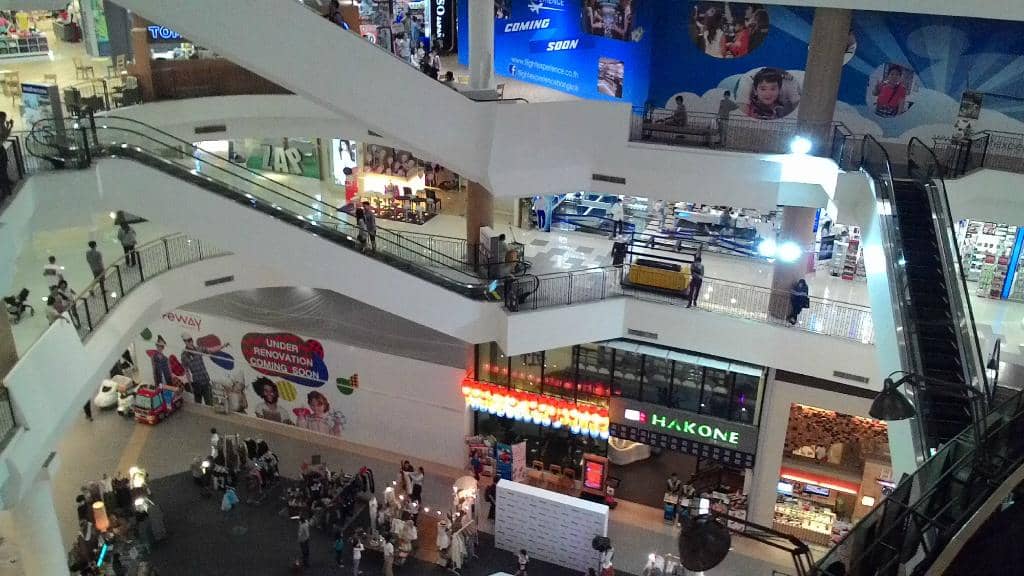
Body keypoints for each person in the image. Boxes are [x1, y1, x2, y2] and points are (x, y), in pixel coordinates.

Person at [181, 332, 228, 406]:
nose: (190, 342)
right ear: (185, 342)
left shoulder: (198, 349)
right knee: (198, 405)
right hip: (197, 383)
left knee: (209, 404)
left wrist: (223, 346)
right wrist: (190, 385)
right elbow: (186, 371)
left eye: (191, 340)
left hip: (205, 380)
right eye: (188, 341)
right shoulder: (184, 355)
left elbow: (211, 350)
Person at [0, 111, 13, 201]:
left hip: (1, 148)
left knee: (3, 167)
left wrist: (9, 126)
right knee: (2, 170)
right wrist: (8, 127)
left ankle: (6, 187)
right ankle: (4, 189)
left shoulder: (2, 125)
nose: (4, 120)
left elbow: (5, 137)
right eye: (3, 118)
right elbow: (3, 136)